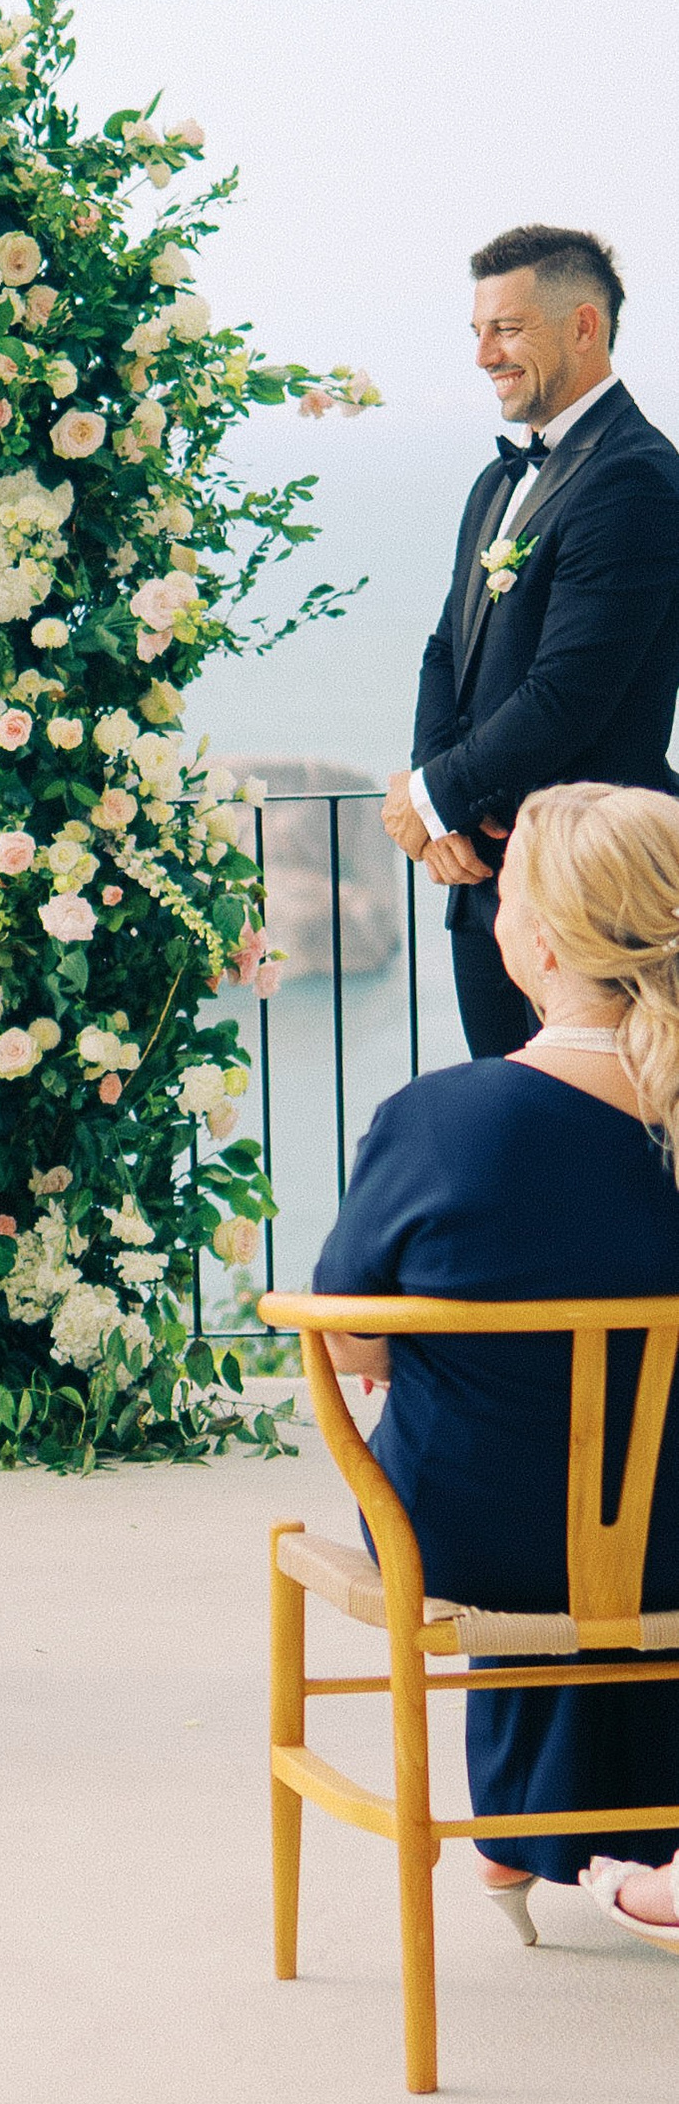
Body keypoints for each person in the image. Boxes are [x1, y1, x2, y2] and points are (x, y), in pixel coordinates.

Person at [313, 779, 679, 1939]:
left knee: (522, 1449)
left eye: (507, 892)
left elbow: (346, 1330)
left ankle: (524, 1837)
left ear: (547, 944)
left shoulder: (443, 1121)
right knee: (627, 1484)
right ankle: (587, 1836)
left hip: (480, 1537)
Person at [384, 225, 679, 1059]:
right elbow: (447, 651)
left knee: (598, 1134)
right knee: (506, 1117)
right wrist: (441, 817)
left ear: (584, 326)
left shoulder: (635, 477)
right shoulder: (498, 480)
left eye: (507, 329)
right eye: (478, 330)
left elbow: (568, 696)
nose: (484, 355)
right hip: (485, 888)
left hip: (591, 898)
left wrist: (431, 796)